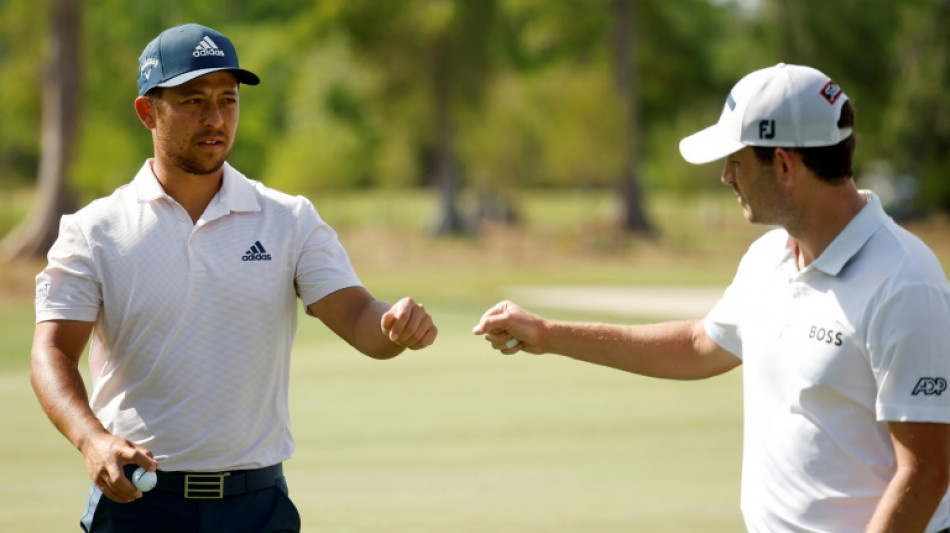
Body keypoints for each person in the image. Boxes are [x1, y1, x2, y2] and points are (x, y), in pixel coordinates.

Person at [473, 63, 950, 533]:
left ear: (783, 164)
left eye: (736, 161)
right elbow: (700, 345)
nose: (726, 177)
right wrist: (549, 335)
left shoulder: (905, 284)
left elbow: (926, 471)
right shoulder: (769, 258)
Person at [31, 23, 438, 533]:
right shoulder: (95, 230)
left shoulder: (288, 219)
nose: (215, 118)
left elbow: (357, 315)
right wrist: (92, 439)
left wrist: (392, 326)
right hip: (138, 504)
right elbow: (52, 352)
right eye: (193, 100)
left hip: (257, 507)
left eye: (228, 100)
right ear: (147, 111)